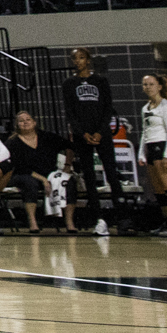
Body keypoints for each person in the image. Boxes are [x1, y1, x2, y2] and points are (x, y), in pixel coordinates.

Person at [61, 49, 121, 235]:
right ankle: (99, 218)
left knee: (111, 173)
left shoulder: (101, 82)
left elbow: (107, 108)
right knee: (89, 176)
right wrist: (83, 133)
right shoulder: (69, 84)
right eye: (74, 58)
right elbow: (70, 113)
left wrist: (100, 132)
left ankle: (122, 217)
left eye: (81, 57)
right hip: (82, 137)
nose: (77, 61)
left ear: (88, 60)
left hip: (101, 134)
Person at [135, 72, 167, 239]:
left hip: (163, 146)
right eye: (145, 84)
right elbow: (145, 131)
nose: (148, 87)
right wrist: (141, 154)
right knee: (159, 190)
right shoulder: (145, 108)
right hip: (151, 148)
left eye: (151, 84)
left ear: (159, 86)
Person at [6, 109, 66, 236]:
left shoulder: (47, 137)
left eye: (28, 120)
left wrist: (68, 165)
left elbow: (69, 145)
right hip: (23, 175)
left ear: (34, 122)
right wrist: (43, 180)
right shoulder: (13, 142)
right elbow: (19, 166)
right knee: (30, 183)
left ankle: (69, 223)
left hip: (49, 174)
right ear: (17, 125)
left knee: (67, 181)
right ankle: (32, 221)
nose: (25, 122)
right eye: (21, 121)